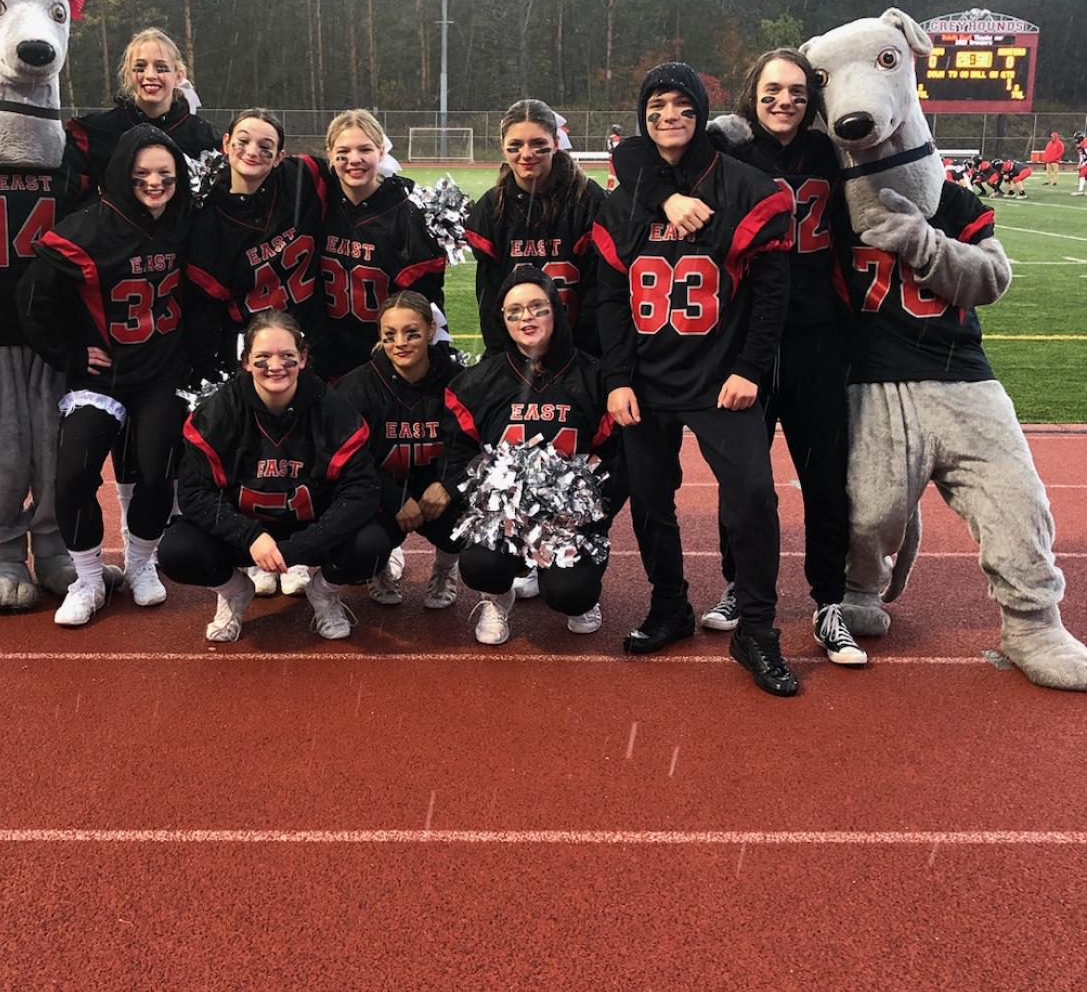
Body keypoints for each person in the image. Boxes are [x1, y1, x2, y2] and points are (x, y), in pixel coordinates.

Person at [642, 50, 866, 666]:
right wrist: (665, 200)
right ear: (752, 93)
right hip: (742, 339)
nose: (784, 101)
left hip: (815, 335)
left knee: (824, 476)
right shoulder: (726, 146)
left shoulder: (829, 152)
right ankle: (741, 584)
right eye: (772, 89)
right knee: (742, 480)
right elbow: (638, 157)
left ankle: (828, 602)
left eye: (796, 90)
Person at [595, 61, 801, 697]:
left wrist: (748, 370)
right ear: (641, 116)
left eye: (682, 105)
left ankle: (758, 629)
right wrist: (617, 377)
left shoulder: (743, 186)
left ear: (701, 111)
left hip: (720, 380)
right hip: (647, 382)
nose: (668, 117)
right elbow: (608, 297)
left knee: (753, 497)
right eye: (656, 107)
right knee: (652, 502)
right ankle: (670, 605)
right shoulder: (624, 193)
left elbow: (772, 295)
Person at [18, 125, 193, 626]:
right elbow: (32, 301)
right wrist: (70, 352)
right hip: (104, 379)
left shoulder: (184, 221)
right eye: (142, 173)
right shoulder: (86, 228)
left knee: (158, 471)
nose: (155, 182)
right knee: (73, 474)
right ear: (121, 174)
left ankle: (140, 563)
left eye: (165, 173)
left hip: (161, 372)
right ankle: (89, 576)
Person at [159, 312, 388, 641]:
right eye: (263, 358)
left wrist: (301, 547)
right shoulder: (220, 411)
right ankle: (235, 591)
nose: (275, 366)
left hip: (309, 529)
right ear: (246, 362)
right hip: (246, 536)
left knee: (374, 545)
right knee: (177, 551)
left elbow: (362, 491)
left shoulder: (331, 409)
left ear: (304, 358)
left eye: (287, 357)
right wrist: (250, 536)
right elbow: (195, 493)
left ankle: (323, 592)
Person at [185, 109, 331, 596]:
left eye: (266, 145)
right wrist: (213, 368)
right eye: (244, 140)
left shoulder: (301, 178)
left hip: (309, 345)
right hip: (252, 357)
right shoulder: (210, 219)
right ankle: (253, 552)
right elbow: (205, 307)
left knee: (307, 452)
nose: (253, 151)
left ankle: (301, 552)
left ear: (282, 155)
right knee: (255, 453)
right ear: (225, 143)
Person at [441, 266, 625, 645]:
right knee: (478, 565)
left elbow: (617, 461)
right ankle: (497, 596)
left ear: (556, 311)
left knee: (571, 594)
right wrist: (489, 501)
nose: (526, 317)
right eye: (514, 311)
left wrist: (589, 515)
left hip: (569, 524)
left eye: (538, 307)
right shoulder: (480, 382)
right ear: (502, 320)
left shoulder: (595, 378)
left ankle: (571, 585)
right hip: (506, 521)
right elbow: (456, 456)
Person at [337, 291, 463, 609]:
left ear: (431, 330)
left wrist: (447, 486)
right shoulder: (358, 386)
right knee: (362, 547)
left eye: (412, 333)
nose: (400, 343)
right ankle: (378, 567)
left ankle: (445, 569)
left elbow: (469, 447)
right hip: (380, 491)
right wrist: (393, 498)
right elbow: (350, 460)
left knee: (475, 528)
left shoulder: (457, 381)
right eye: (390, 335)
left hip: (435, 492)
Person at [466, 101, 605, 358]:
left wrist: (582, 361)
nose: (526, 154)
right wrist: (502, 358)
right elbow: (490, 300)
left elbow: (599, 294)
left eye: (537, 143)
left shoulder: (587, 200)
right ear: (502, 146)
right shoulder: (492, 207)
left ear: (555, 141)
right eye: (516, 145)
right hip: (514, 353)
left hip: (580, 351)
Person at [319, 109, 446, 381]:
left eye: (365, 149)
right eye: (344, 150)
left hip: (385, 363)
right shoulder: (318, 201)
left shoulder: (407, 214)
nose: (354, 159)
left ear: (381, 151)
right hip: (326, 356)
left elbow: (426, 302)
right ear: (330, 154)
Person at [66, 29, 219, 189]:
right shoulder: (97, 132)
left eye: (161, 68)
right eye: (140, 67)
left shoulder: (203, 136)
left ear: (178, 76)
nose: (150, 75)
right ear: (127, 74)